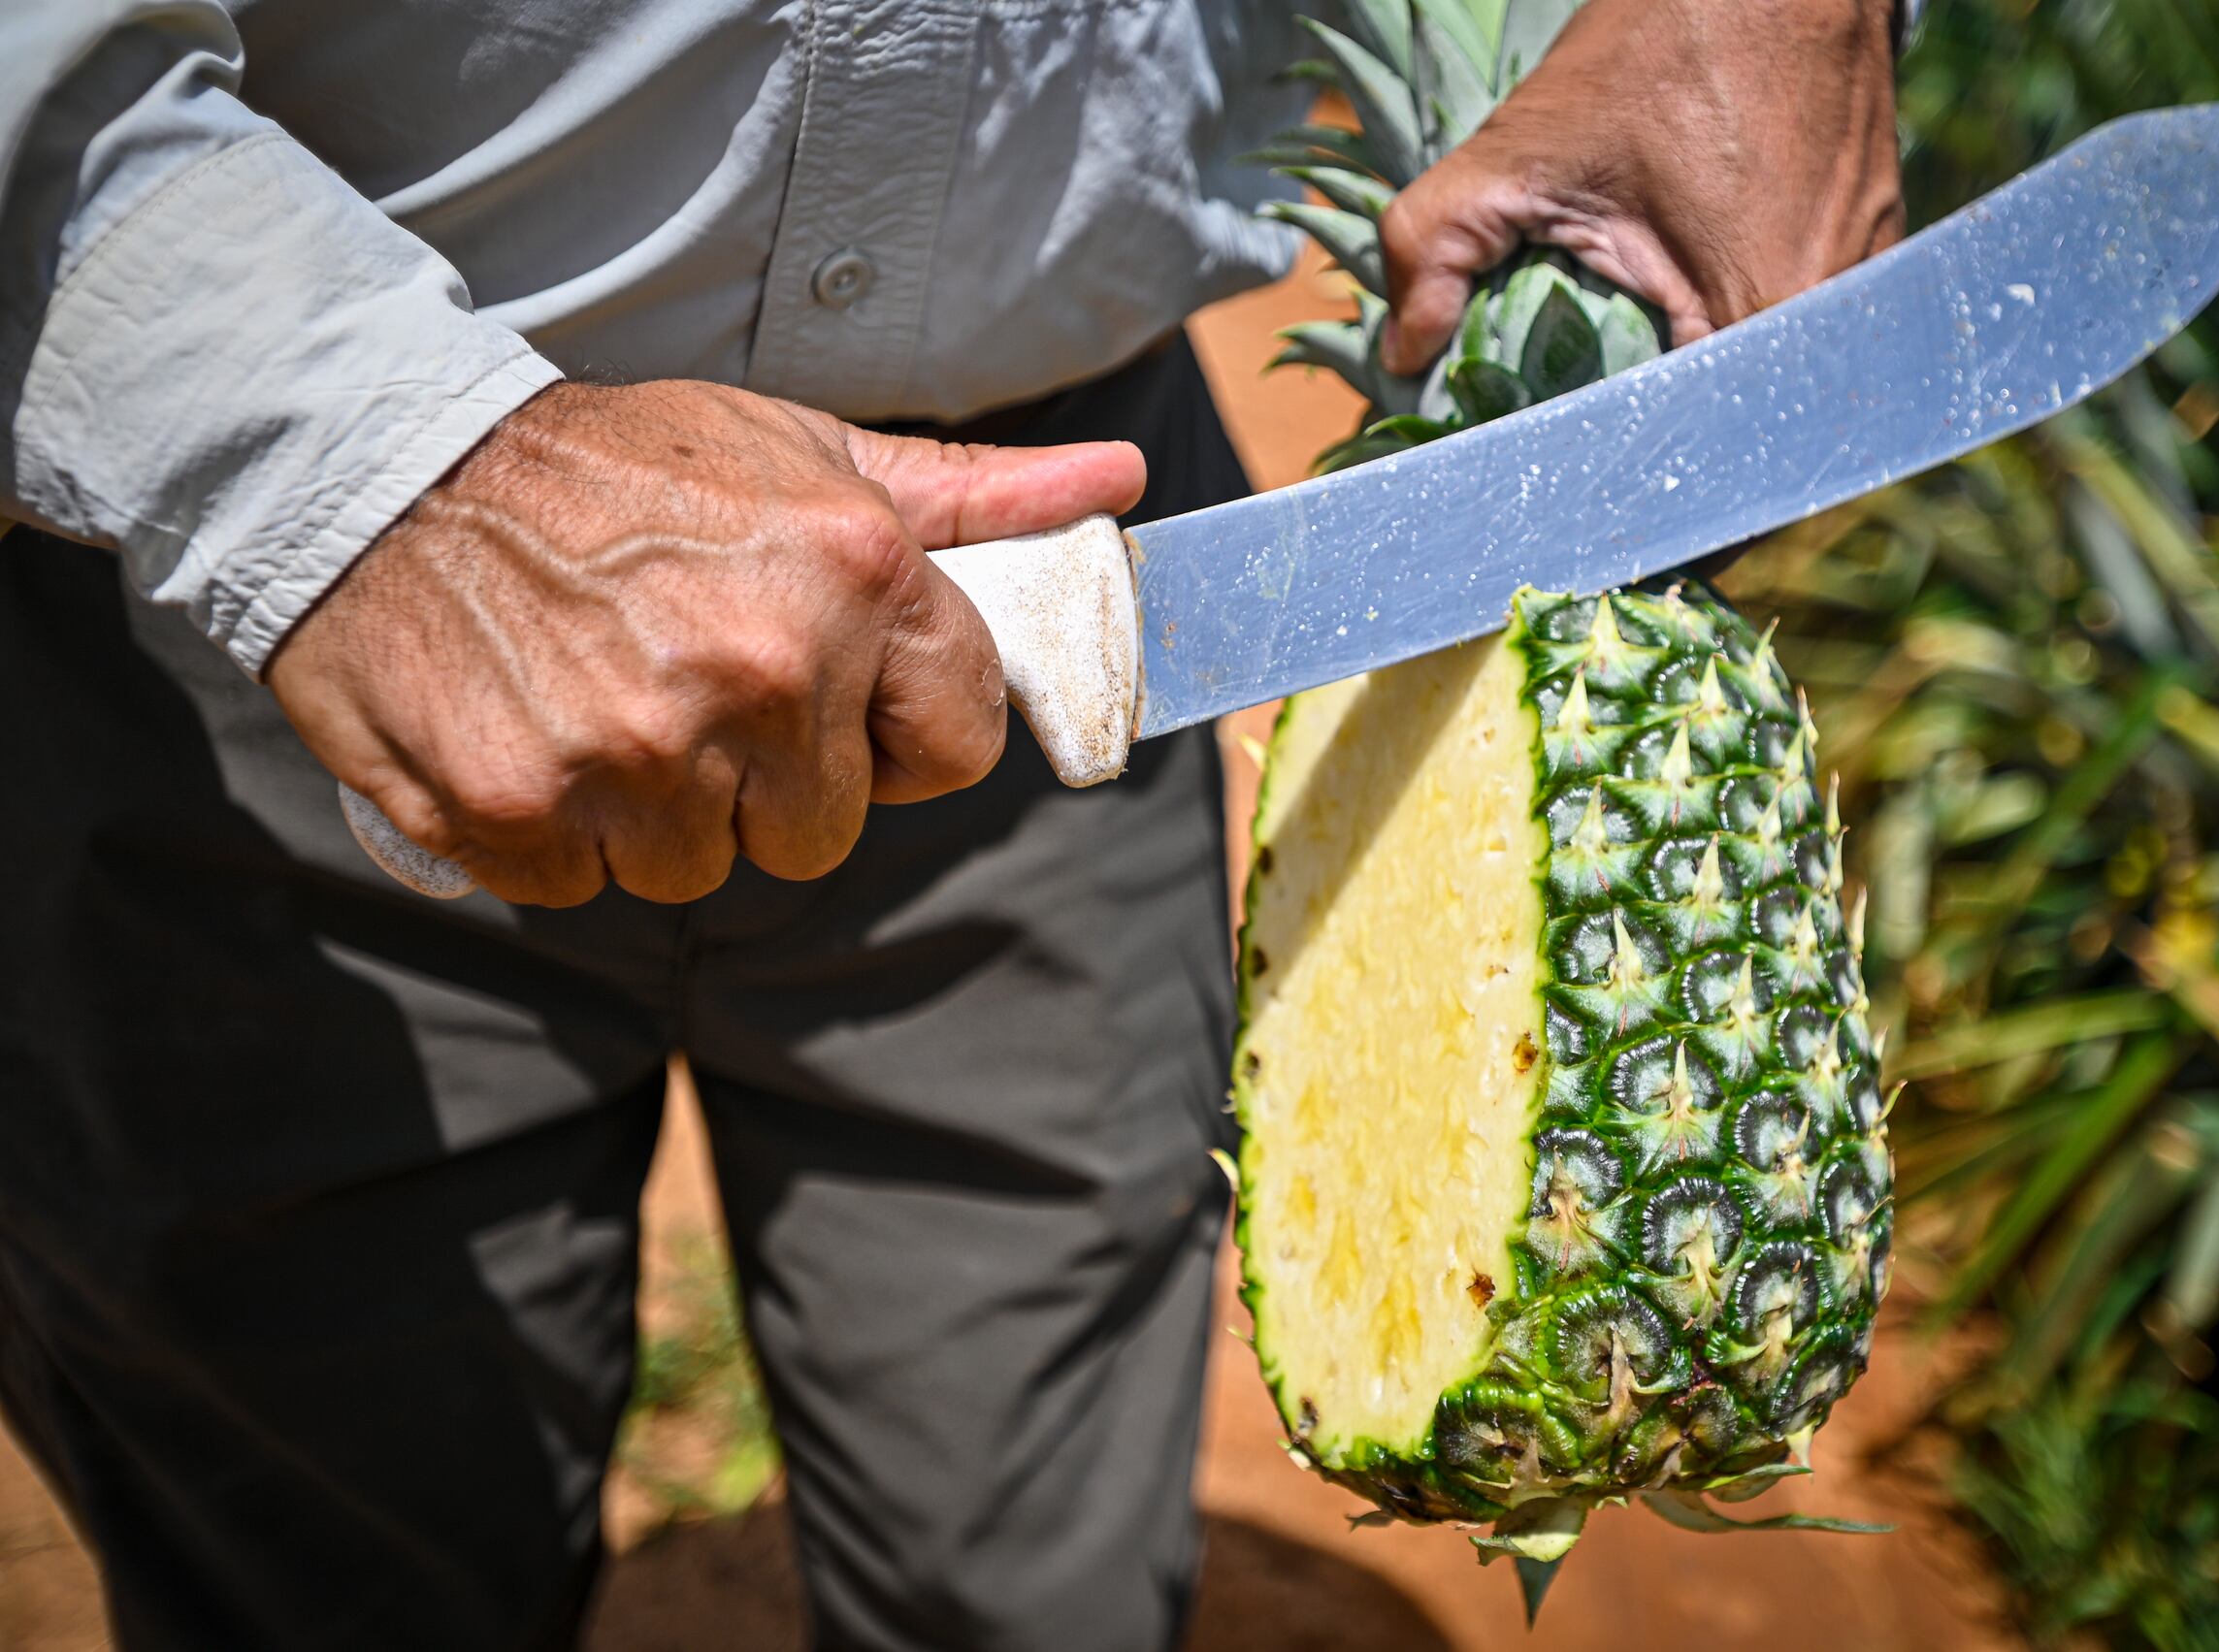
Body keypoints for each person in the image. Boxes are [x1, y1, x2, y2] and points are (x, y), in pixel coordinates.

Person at [0, 1, 1906, 1646]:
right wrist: (338, 461)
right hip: (268, 581)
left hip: (1052, 572)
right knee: (313, 1558)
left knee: (1035, 1576)